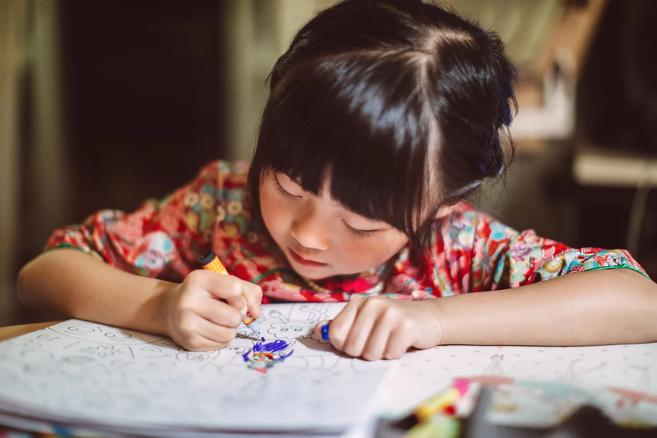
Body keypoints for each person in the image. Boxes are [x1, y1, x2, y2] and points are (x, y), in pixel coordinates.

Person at [17, 0, 657, 361]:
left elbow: (639, 301)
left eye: (361, 224)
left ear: (441, 204)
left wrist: (434, 320)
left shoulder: (454, 249)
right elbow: (45, 271)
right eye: (290, 187)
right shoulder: (219, 208)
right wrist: (155, 305)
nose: (309, 236)